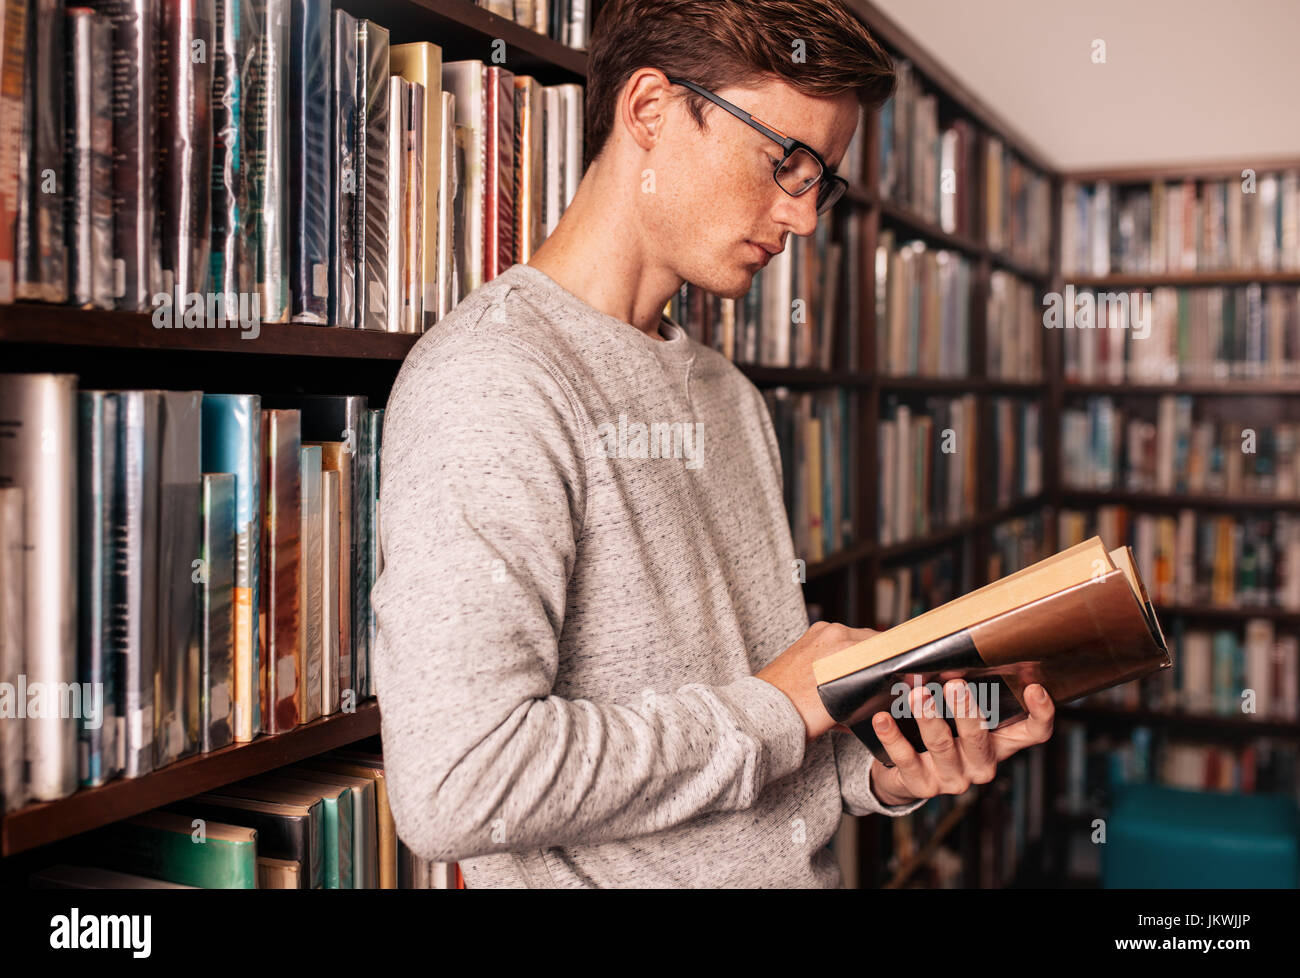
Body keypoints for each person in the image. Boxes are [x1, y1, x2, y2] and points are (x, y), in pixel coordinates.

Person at [371, 0, 1054, 888]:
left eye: (822, 180)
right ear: (651, 109)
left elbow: (761, 735)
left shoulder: (728, 397)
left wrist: (884, 767)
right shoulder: (493, 379)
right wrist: (783, 702)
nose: (804, 219)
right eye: (786, 162)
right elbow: (460, 785)